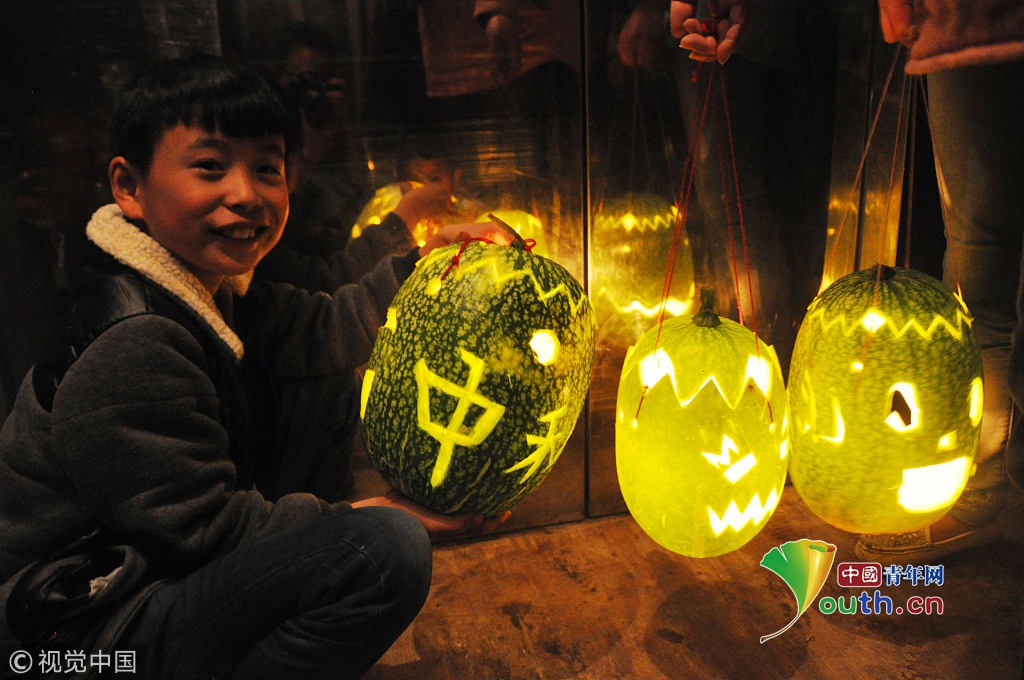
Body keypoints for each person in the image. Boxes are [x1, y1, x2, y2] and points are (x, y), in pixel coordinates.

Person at [0, 54, 510, 679]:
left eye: (267, 169)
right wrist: (375, 514)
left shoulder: (208, 287)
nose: (245, 195)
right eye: (210, 167)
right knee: (383, 554)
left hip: (132, 573)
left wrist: (424, 265)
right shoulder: (135, 340)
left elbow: (327, 328)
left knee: (327, 390)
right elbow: (206, 529)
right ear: (129, 187)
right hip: (70, 631)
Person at [854, 0, 1024, 562]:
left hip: (971, 26)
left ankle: (990, 494)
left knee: (981, 270)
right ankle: (986, 491)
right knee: (978, 273)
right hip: (967, 24)